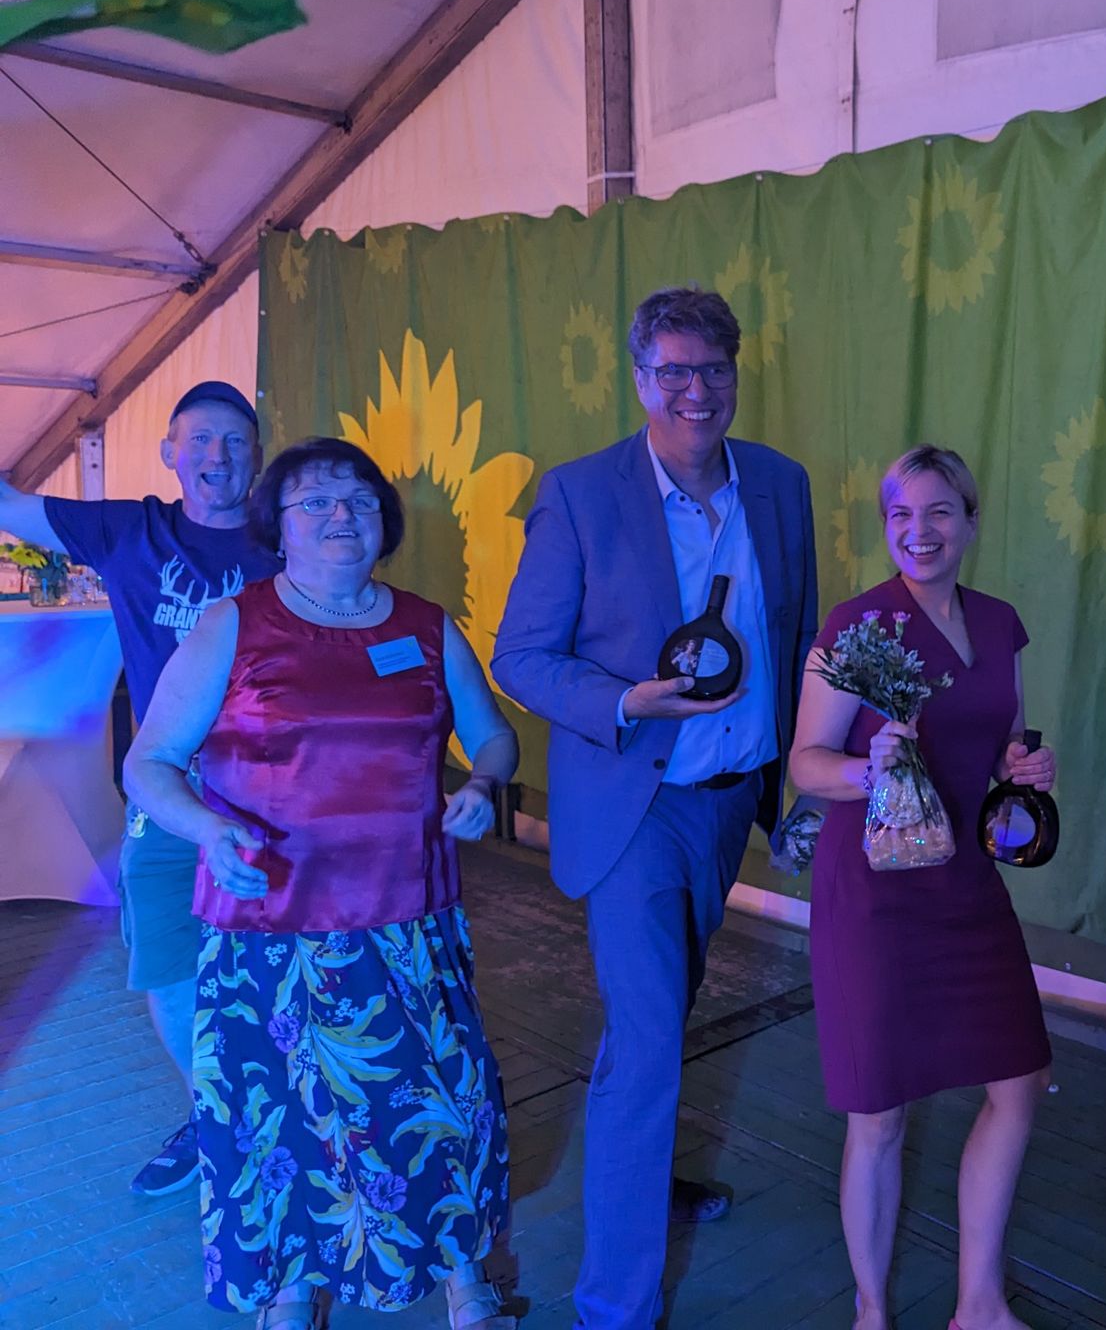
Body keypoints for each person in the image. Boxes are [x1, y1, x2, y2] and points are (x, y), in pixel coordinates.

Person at [124, 437, 519, 1326]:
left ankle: (465, 1277)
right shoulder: (232, 624)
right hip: (269, 925)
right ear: (278, 526)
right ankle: (292, 1287)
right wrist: (208, 828)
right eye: (316, 500)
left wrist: (484, 784)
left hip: (409, 920)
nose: (342, 514)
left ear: (384, 522)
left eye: (360, 500)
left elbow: (492, 735)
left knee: (440, 1105)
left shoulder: (425, 626)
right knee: (283, 1120)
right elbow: (148, 763)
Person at [492, 284, 819, 1329]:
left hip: (729, 802)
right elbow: (519, 657)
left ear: (736, 374)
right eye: (672, 371)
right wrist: (625, 701)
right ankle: (615, 1306)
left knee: (660, 1026)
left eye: (713, 369)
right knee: (644, 1045)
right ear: (639, 380)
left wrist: (795, 788)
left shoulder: (779, 484)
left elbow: (795, 631)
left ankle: (639, 1182)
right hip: (637, 806)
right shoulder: (581, 495)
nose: (695, 391)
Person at [789, 444, 1055, 1330]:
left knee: (1019, 1080)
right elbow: (806, 763)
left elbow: (1004, 744)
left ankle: (979, 1301)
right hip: (874, 894)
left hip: (967, 885)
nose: (919, 531)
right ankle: (872, 1311)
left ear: (971, 521)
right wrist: (870, 770)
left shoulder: (1001, 623)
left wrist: (1025, 766)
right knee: (879, 1112)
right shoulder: (855, 625)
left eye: (940, 511)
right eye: (901, 515)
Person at [0, 380, 279, 1195]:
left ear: (257, 455)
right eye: (200, 440)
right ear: (169, 453)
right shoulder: (129, 530)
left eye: (235, 440)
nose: (217, 456)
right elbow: (11, 509)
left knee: (280, 962)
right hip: (167, 791)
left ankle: (283, 1116)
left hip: (273, 789)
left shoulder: (288, 540)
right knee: (166, 961)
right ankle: (215, 1116)